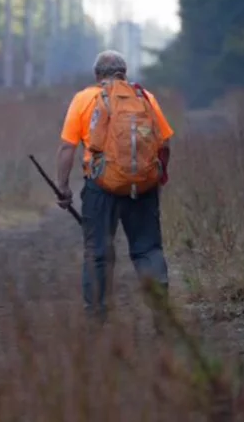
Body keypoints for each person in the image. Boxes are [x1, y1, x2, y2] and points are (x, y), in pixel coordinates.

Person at [55, 50, 174, 329]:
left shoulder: (84, 98)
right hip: (143, 188)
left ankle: (96, 321)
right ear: (125, 72)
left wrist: (63, 187)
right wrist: (157, 178)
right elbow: (164, 144)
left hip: (100, 188)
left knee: (97, 252)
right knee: (148, 250)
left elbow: (67, 148)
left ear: (97, 75)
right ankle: (162, 315)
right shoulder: (145, 98)